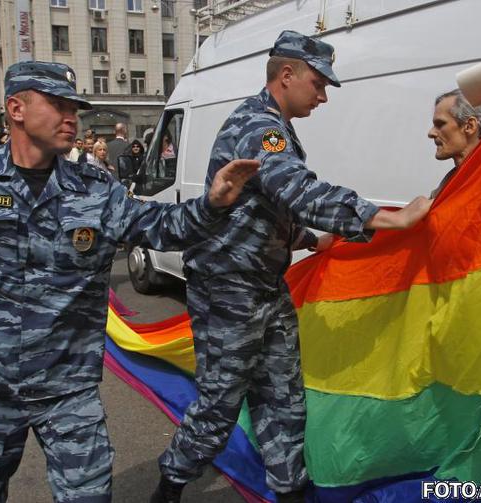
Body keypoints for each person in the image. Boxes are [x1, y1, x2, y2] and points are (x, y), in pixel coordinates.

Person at [0, 60, 259, 503]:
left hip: (68, 390)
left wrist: (212, 204)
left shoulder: (95, 189)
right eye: (57, 105)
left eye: (74, 107)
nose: (71, 117)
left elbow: (160, 225)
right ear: (16, 109)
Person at [153, 30, 432, 503]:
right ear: (287, 75)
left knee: (283, 398)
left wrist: (312, 239)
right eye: (318, 84)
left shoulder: (274, 127)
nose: (323, 96)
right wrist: (386, 217)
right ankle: (170, 486)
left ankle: (288, 491)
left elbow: (262, 211)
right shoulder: (258, 126)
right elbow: (295, 189)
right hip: (228, 293)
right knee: (219, 406)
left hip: (264, 288)